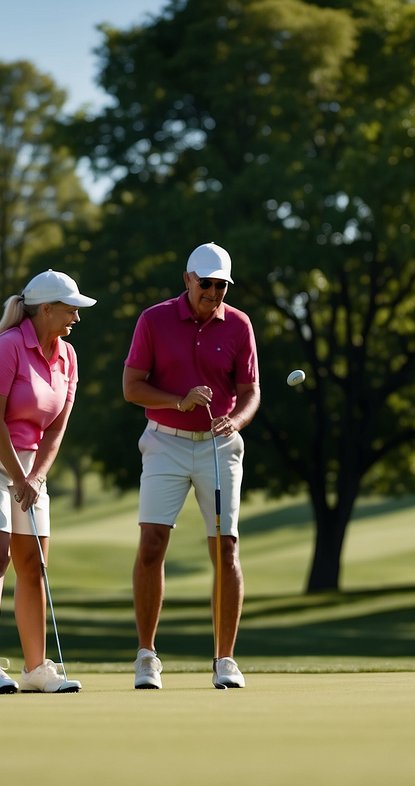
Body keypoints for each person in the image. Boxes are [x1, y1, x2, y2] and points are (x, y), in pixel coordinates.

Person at [122, 242, 261, 690]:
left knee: (226, 547)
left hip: (220, 446)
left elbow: (250, 390)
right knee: (152, 543)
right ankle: (147, 656)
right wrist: (178, 403)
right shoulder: (154, 320)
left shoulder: (239, 324)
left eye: (222, 285)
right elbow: (132, 387)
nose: (214, 292)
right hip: (165, 442)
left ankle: (225, 659)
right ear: (187, 280)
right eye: (207, 283)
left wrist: (236, 421)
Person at [0, 269, 95, 694]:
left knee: (34, 564)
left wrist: (36, 476)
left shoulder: (67, 356)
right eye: (71, 310)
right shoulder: (6, 348)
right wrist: (20, 478)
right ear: (45, 310)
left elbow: (56, 428)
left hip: (30, 468)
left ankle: (36, 670)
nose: (77, 318)